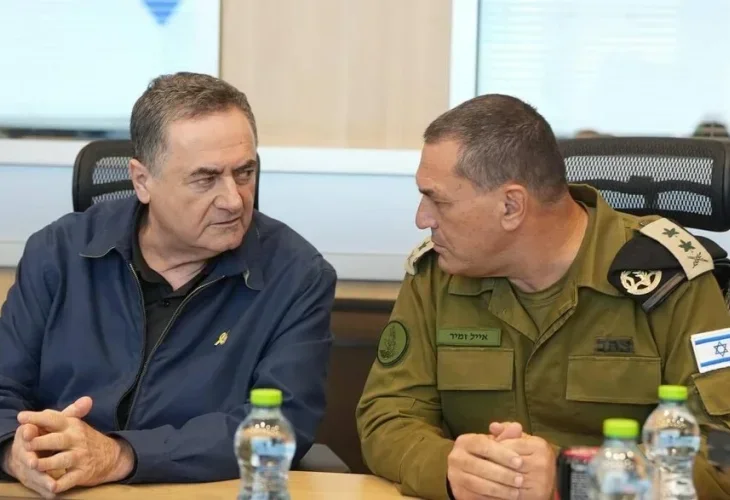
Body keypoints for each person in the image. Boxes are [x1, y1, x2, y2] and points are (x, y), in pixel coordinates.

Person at [356, 94, 730, 500]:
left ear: (511, 206)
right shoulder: (438, 276)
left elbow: (721, 452)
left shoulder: (670, 279)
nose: (422, 219)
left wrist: (572, 476)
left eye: (438, 200)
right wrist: (449, 468)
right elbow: (387, 414)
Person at [0, 72, 337, 498]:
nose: (233, 199)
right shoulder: (58, 253)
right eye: (205, 178)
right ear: (142, 181)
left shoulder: (297, 275)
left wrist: (121, 455)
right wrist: (13, 451)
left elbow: (281, 423)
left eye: (245, 172)